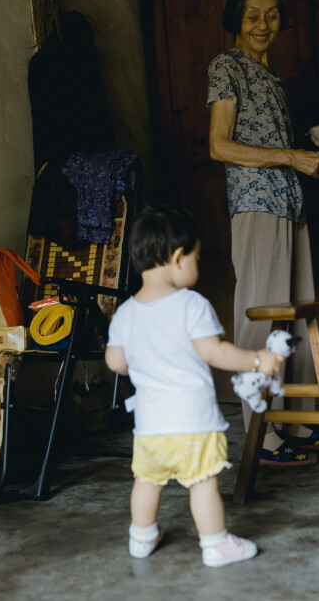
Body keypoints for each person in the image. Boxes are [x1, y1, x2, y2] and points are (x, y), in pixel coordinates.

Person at [105, 206, 283, 567]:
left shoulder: (125, 312)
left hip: (150, 426)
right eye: (196, 258)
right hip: (193, 423)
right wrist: (256, 360)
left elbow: (115, 362)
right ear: (176, 257)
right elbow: (214, 351)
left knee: (146, 481)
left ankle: (141, 537)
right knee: (202, 484)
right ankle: (215, 544)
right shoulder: (192, 305)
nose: (197, 267)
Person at [206, 0, 319, 467]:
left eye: (271, 15)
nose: (262, 24)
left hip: (289, 202)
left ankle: (293, 419)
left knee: (294, 315)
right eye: (253, 14)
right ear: (237, 17)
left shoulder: (271, 77)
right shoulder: (225, 66)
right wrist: (292, 157)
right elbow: (219, 146)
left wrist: (297, 163)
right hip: (256, 200)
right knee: (261, 315)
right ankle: (263, 435)